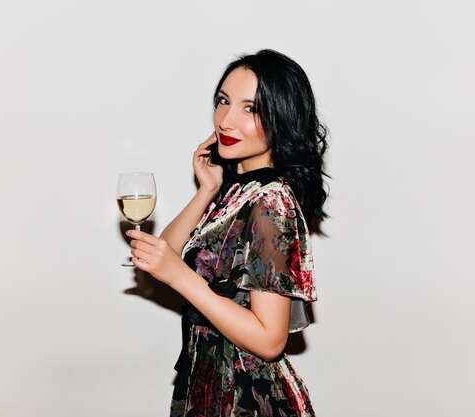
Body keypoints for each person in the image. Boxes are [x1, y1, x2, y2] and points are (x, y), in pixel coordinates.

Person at [127, 49, 328, 417]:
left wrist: (183, 279)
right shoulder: (238, 191)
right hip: (210, 383)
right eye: (223, 101)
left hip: (246, 396)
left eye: (250, 109)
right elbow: (157, 258)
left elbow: (270, 340)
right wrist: (206, 189)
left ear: (281, 118)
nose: (226, 120)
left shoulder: (271, 202)